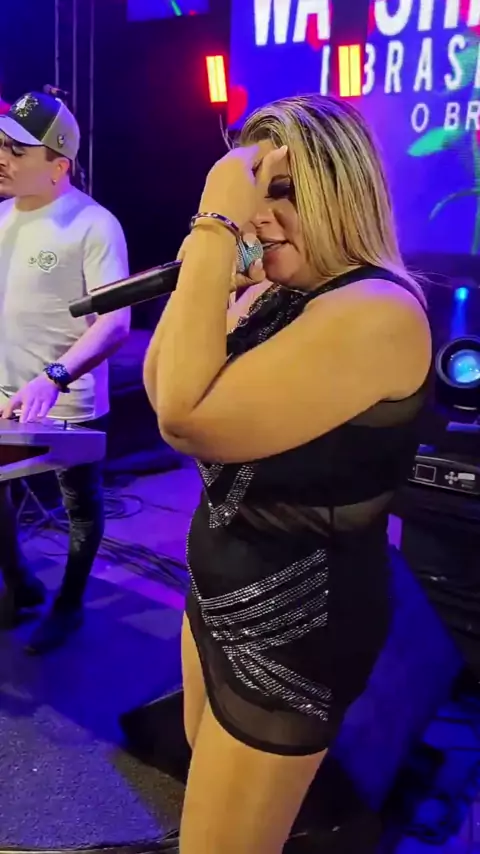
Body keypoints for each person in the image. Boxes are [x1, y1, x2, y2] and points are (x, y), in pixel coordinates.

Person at [143, 94, 432, 853]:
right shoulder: (279, 296)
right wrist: (210, 272)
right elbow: (162, 384)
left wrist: (213, 227)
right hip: (220, 596)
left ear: (341, 194)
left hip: (294, 631)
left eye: (281, 192)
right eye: (252, 192)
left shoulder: (375, 310)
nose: (257, 216)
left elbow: (185, 419)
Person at [0, 91, 130, 654]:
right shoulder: (2, 216)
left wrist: (53, 377)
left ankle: (70, 604)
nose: (2, 159)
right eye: (1, 146)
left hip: (65, 400)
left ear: (58, 165)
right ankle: (22, 583)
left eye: (17, 151)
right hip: (4, 392)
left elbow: (116, 322)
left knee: (80, 504)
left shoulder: (93, 225)